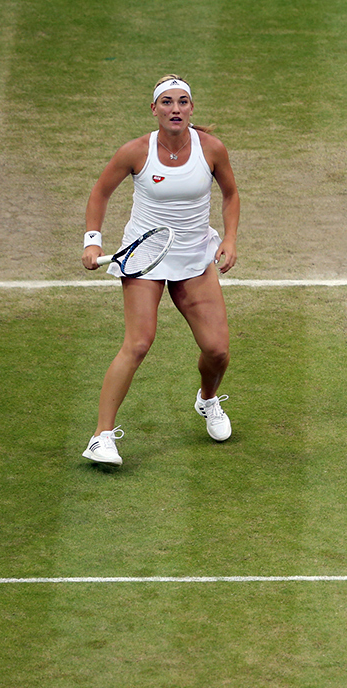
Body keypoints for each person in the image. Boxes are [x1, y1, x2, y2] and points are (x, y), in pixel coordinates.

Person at [80, 74, 240, 465]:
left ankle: (207, 399)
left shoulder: (212, 149)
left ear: (191, 108)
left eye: (182, 102)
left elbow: (231, 194)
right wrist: (92, 240)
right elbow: (100, 192)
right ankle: (100, 437)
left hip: (194, 257)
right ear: (154, 109)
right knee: (137, 343)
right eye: (167, 102)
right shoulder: (135, 152)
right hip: (144, 256)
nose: (175, 109)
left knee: (217, 350)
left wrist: (230, 238)